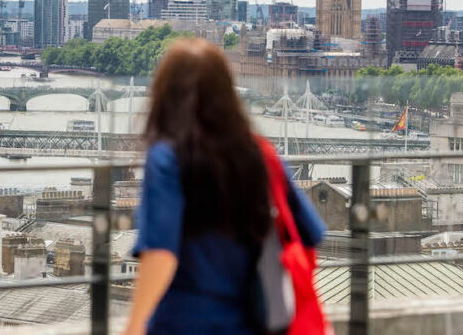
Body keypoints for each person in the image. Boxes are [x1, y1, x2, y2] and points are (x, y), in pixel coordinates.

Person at [123, 38, 325, 335]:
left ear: (165, 96)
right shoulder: (261, 155)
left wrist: (133, 327)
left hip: (183, 324)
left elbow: (161, 254)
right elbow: (310, 233)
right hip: (250, 322)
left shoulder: (167, 158)